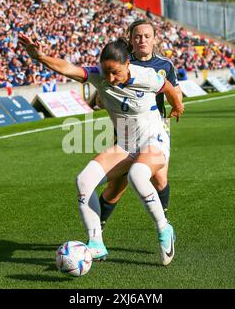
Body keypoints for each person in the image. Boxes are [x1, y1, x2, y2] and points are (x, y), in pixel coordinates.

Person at [18, 32, 184, 266]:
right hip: (125, 145)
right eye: (106, 71)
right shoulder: (99, 76)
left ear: (128, 64)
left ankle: (164, 229)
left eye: (115, 71)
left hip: (154, 140)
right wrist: (40, 57)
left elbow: (167, 86)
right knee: (84, 180)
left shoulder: (146, 76)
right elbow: (67, 68)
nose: (110, 77)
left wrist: (177, 105)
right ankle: (96, 243)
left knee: (137, 175)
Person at [98, 19, 183, 231]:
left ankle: (163, 226)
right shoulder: (123, 63)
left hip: (157, 129)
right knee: (117, 186)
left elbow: (175, 90)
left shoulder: (165, 66)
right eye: (137, 36)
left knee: (160, 179)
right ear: (130, 39)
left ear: (154, 39)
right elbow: (100, 94)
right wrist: (100, 98)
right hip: (126, 130)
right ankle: (97, 231)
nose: (142, 40)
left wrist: (177, 103)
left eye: (146, 36)